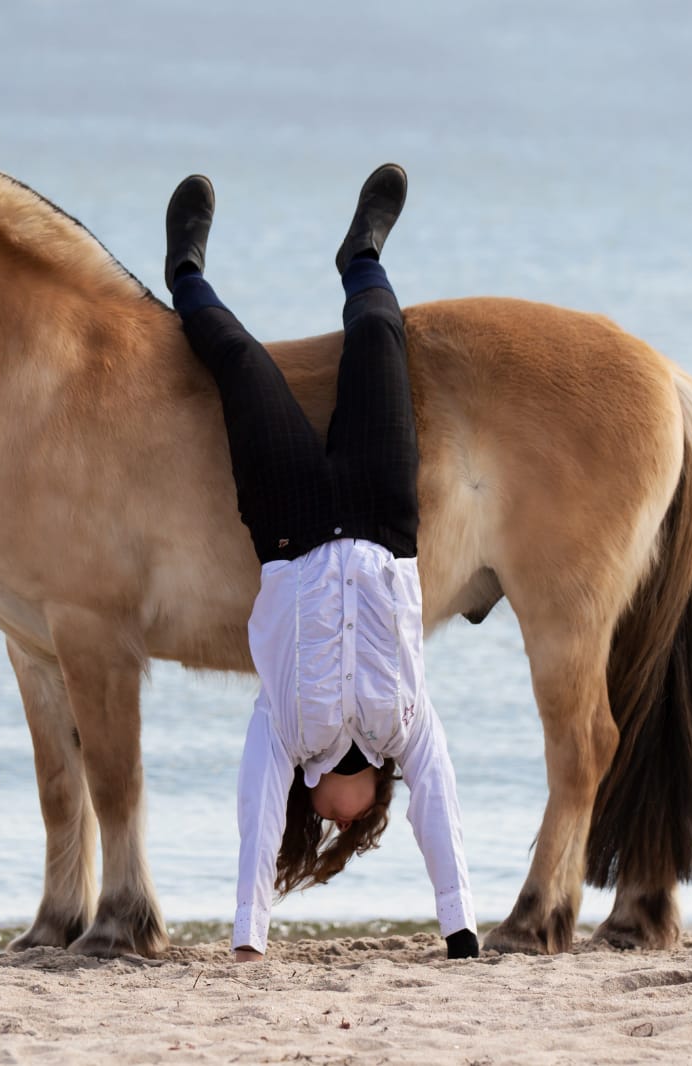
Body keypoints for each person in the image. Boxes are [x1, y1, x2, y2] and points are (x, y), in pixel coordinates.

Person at [162, 165, 479, 962]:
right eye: (363, 821)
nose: (345, 823)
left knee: (236, 361)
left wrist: (249, 932)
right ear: (378, 797)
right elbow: (437, 806)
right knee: (379, 334)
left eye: (333, 827)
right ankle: (361, 254)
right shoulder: (407, 727)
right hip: (381, 512)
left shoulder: (284, 733)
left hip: (290, 527)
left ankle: (184, 272)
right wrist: (461, 925)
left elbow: (255, 809)